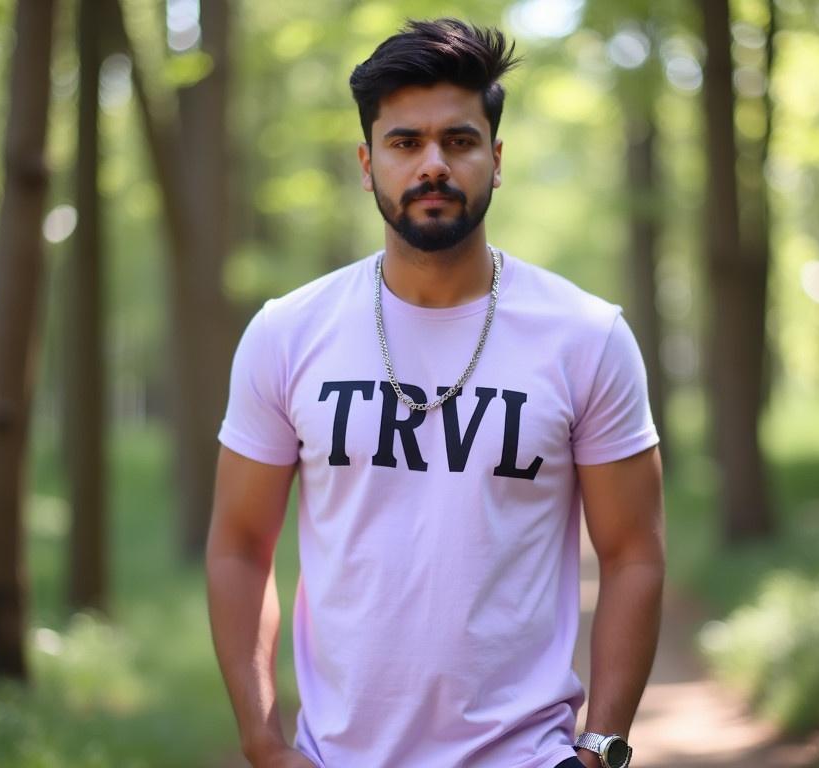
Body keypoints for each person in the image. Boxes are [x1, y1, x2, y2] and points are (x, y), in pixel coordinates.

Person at [206, 18, 664, 768]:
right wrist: (261, 740)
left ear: (496, 156)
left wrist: (598, 747)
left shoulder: (586, 336)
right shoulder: (287, 333)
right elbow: (238, 545)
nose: (432, 165)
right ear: (366, 163)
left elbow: (633, 552)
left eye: (458, 140)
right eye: (404, 142)